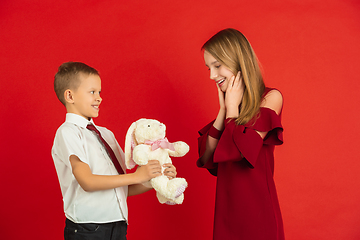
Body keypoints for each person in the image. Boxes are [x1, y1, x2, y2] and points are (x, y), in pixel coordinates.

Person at [51, 62, 177, 240]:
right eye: (92, 92)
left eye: (99, 92)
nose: (99, 98)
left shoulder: (106, 134)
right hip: (88, 229)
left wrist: (154, 177)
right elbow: (87, 181)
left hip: (117, 227)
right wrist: (137, 176)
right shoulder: (68, 132)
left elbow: (121, 187)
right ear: (70, 96)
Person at [197, 28, 285, 240]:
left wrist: (232, 109)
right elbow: (207, 157)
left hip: (258, 211)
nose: (212, 75)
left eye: (217, 66)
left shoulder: (270, 98)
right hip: (226, 212)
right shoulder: (229, 110)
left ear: (237, 61)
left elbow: (240, 149)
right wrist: (223, 111)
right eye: (208, 68)